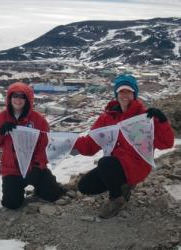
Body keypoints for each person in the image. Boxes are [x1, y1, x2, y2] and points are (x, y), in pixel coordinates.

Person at [73, 74, 174, 219]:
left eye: (128, 91)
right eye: (121, 91)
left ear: (134, 94)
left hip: (137, 165)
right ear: (116, 94)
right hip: (114, 165)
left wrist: (162, 121)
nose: (125, 95)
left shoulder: (145, 117)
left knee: (105, 162)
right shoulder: (107, 117)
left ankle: (116, 199)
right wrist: (70, 143)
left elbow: (166, 143)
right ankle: (122, 186)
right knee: (85, 186)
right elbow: (91, 143)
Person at [0, 82, 64, 209]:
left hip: (33, 167)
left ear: (28, 99)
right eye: (15, 96)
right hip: (12, 169)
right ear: (9, 98)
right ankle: (17, 190)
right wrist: (0, 131)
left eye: (22, 96)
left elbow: (44, 145)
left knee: (53, 195)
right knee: (11, 204)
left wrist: (38, 166)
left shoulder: (38, 119)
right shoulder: (1, 117)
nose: (18, 99)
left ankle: (44, 186)